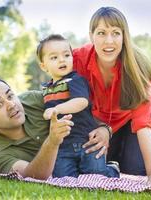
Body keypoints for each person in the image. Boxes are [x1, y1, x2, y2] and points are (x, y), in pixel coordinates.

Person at [72, 7, 151, 185]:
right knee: (92, 155)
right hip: (110, 117)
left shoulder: (136, 70)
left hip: (148, 107)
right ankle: (127, 145)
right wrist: (104, 128)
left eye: (116, 33)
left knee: (133, 168)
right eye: (101, 33)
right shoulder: (78, 60)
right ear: (91, 35)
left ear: (124, 36)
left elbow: (142, 124)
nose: (108, 41)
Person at [36, 34, 119, 178]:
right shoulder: (46, 89)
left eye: (66, 55)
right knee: (63, 177)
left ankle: (112, 168)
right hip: (62, 146)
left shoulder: (75, 80)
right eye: (54, 57)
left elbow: (81, 101)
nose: (62, 59)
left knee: (96, 174)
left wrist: (56, 110)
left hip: (87, 141)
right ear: (43, 66)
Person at [0, 76, 74, 179]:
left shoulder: (33, 100)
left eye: (10, 96)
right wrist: (52, 142)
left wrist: (91, 129)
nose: (11, 105)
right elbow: (33, 175)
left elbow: (78, 103)